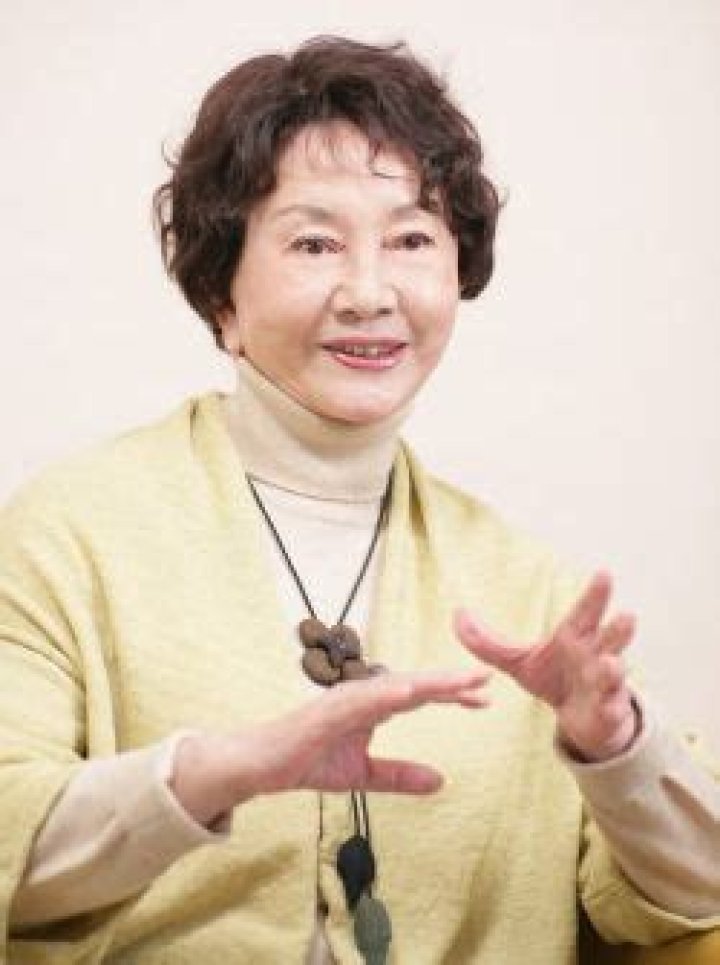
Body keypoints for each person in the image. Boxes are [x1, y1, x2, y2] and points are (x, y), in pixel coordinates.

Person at [1, 35, 718, 965]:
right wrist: (210, 774)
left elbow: (693, 897)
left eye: (412, 239)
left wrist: (616, 747)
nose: (371, 292)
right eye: (315, 243)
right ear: (221, 291)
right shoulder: (66, 535)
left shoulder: (531, 589)